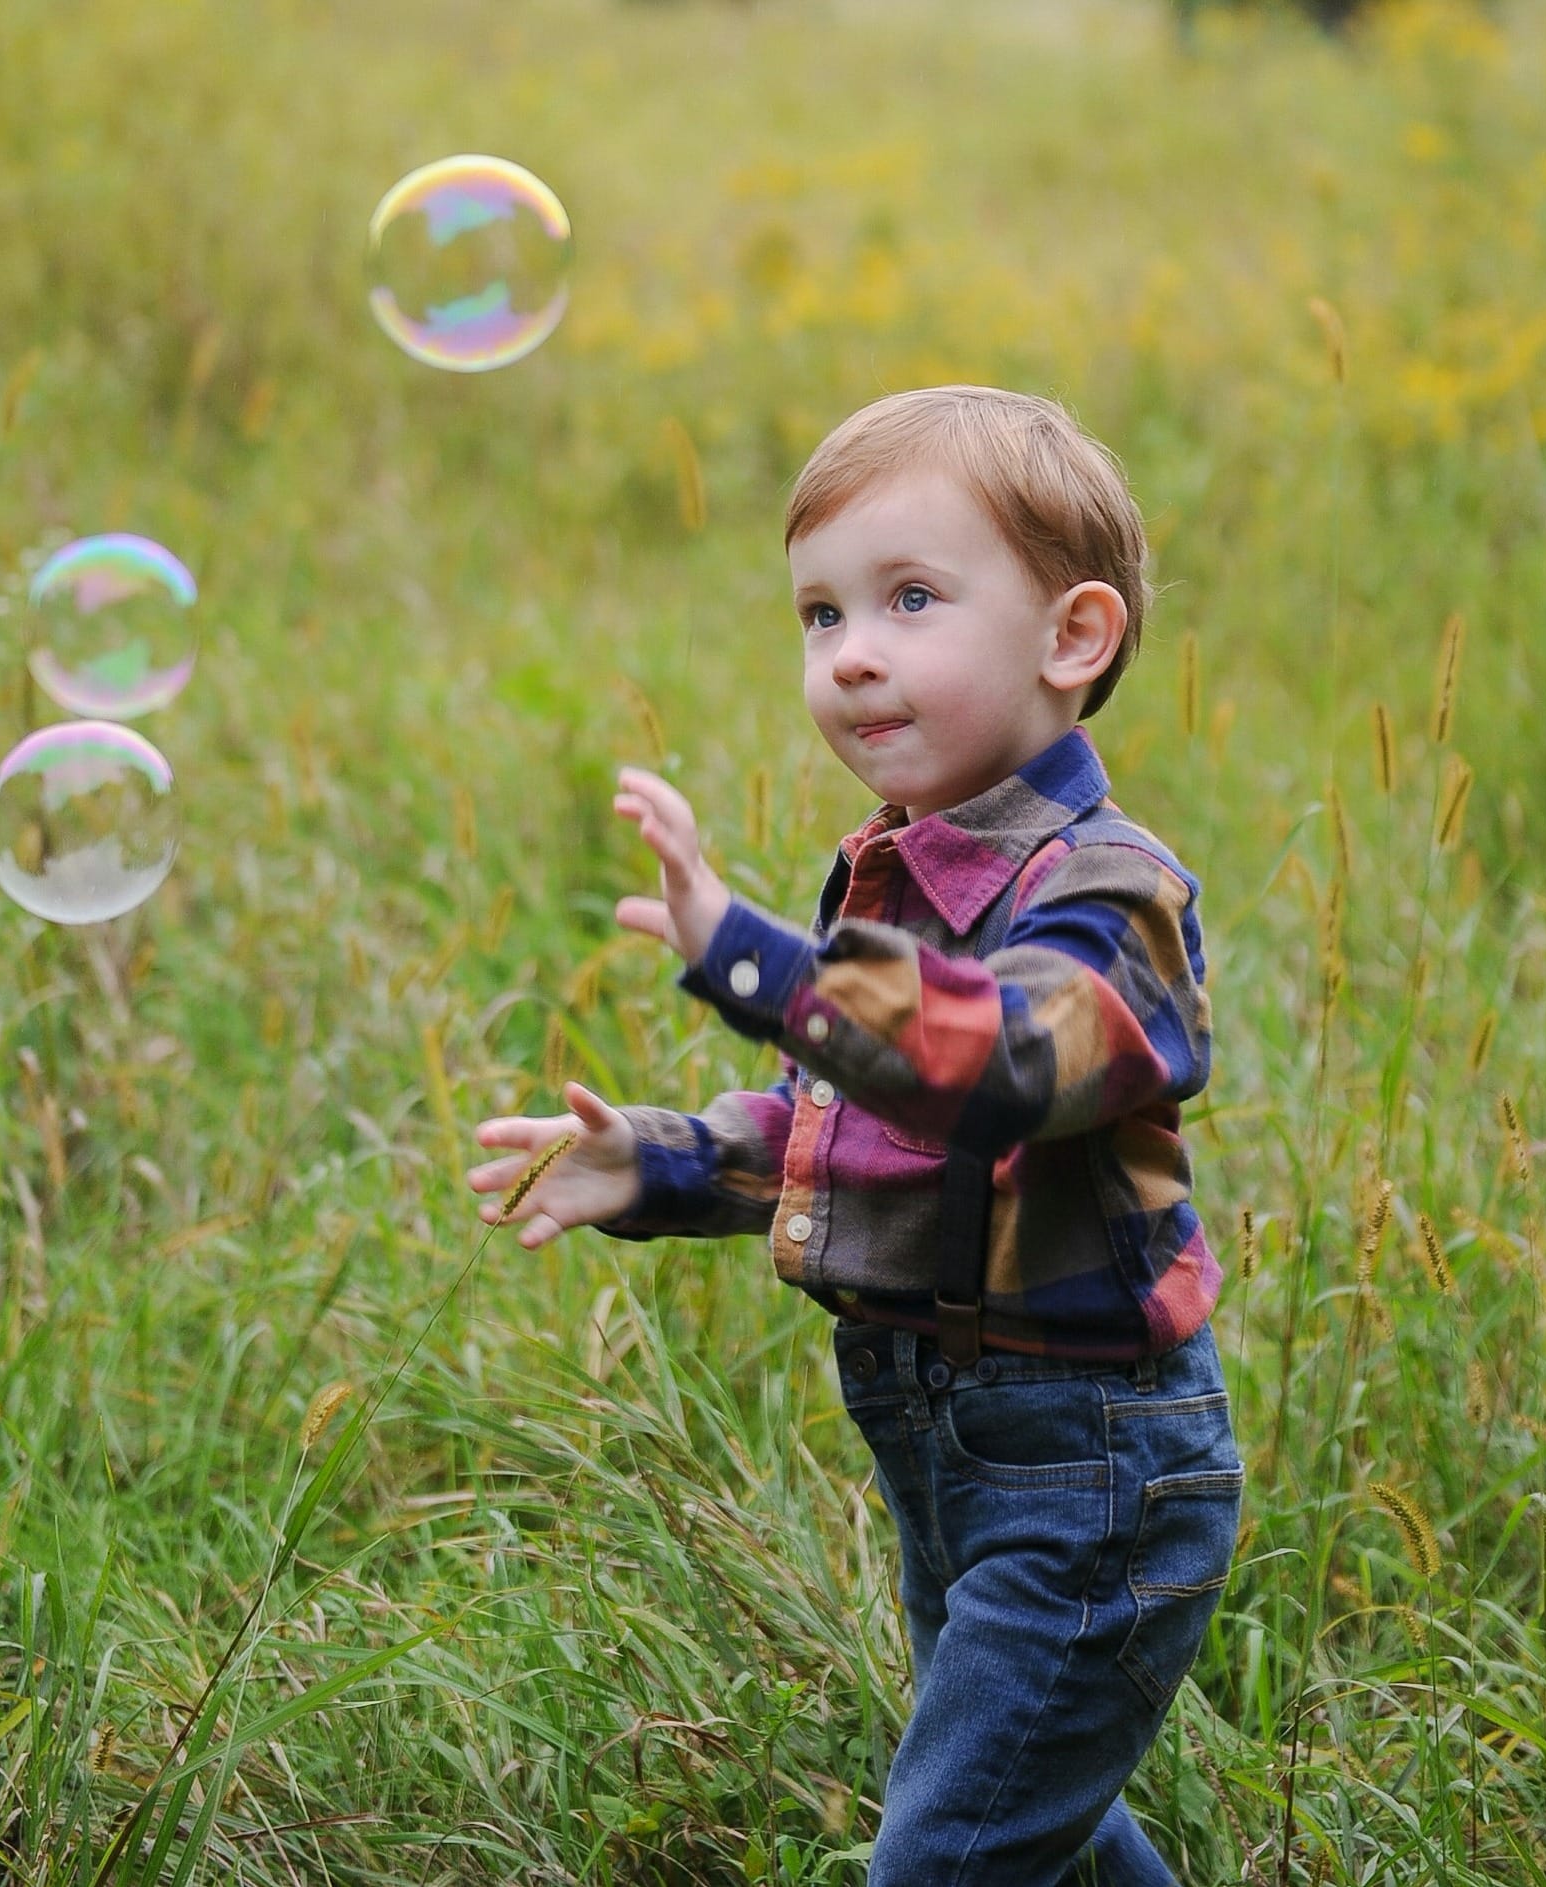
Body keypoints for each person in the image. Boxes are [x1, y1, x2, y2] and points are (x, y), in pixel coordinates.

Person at [468, 385, 1243, 1886]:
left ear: (1071, 639)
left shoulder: (1114, 896)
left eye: (909, 598)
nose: (853, 654)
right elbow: (870, 1130)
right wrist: (666, 1160)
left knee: (945, 1857)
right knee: (1043, 1822)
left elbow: (996, 1067)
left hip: (1094, 1466)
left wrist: (755, 960)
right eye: (821, 616)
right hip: (948, 1449)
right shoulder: (894, 878)